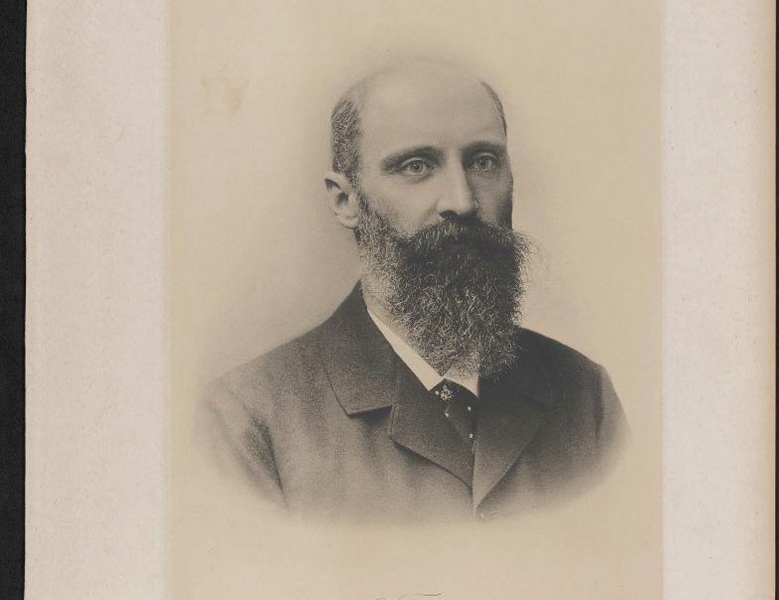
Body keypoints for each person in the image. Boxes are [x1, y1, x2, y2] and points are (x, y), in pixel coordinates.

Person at [201, 58, 627, 523]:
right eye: (416, 166)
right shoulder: (247, 420)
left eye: (483, 162)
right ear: (346, 200)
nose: (462, 202)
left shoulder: (586, 396)